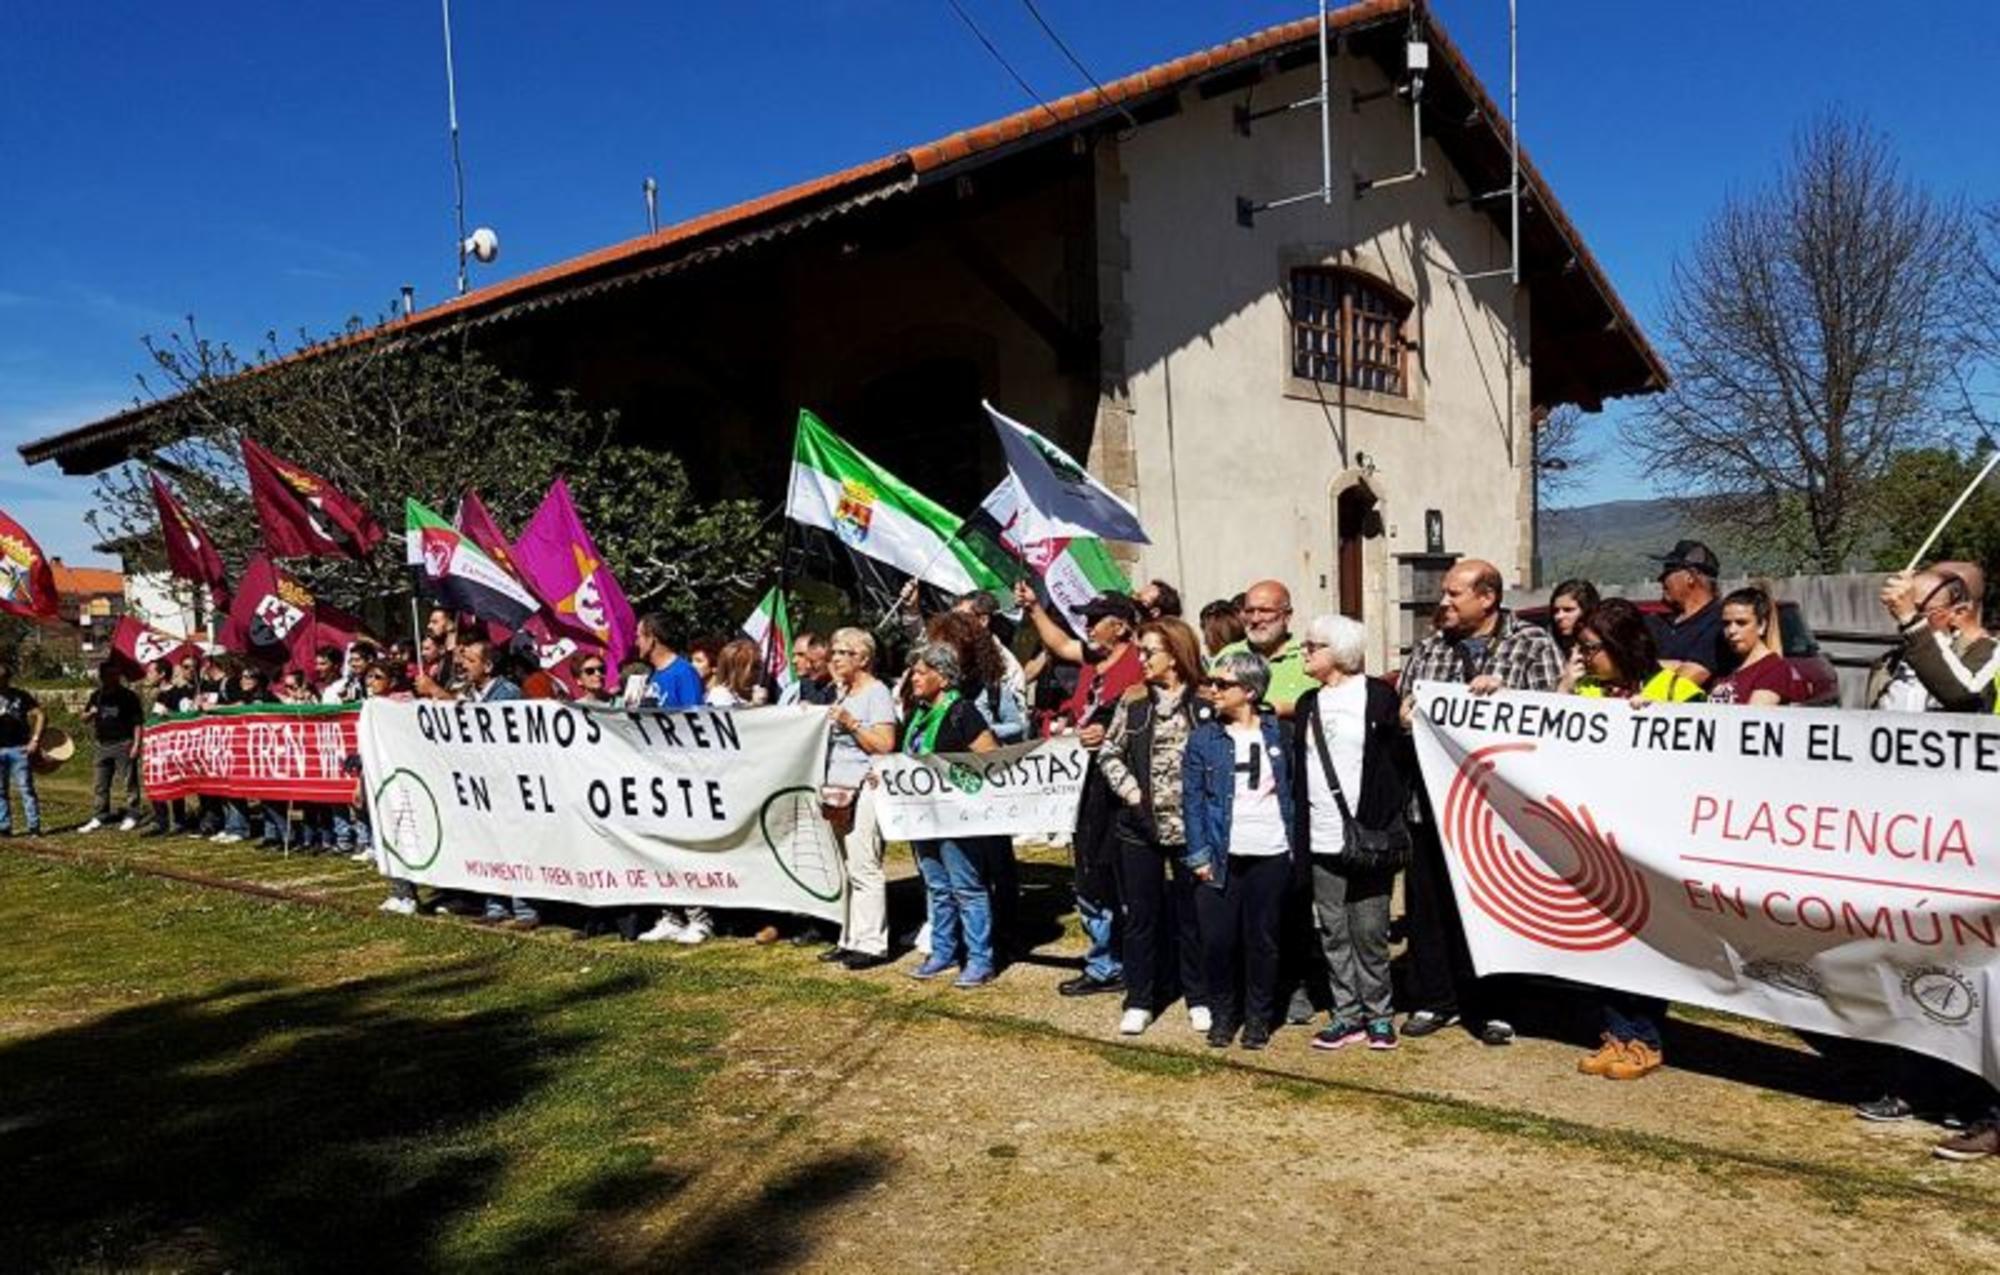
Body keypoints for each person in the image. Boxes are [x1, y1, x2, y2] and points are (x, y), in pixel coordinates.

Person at [1396, 558, 1563, 1046]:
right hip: (1431, 805)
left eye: (1454, 594)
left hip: (1497, 813)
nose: (1443, 603)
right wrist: (1408, 714)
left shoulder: (1530, 644)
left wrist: (1507, 699)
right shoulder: (1429, 648)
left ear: (1487, 598)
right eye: (1444, 594)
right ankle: (1436, 998)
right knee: (1430, 906)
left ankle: (1497, 1006)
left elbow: (1554, 714)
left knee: (1496, 905)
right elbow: (1408, 701)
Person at [1565, 598, 1703, 1081]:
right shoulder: (1584, 692)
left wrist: (1664, 720)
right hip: (1598, 840)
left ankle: (1645, 1039)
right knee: (1603, 942)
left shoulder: (1675, 691)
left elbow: (1710, 760)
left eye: (1590, 649)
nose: (1584, 658)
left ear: (1622, 645)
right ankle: (1616, 1032)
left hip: (1654, 842)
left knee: (1646, 943)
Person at [1014, 583, 1145, 998]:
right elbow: (1059, 643)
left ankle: (1132, 962)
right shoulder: (1092, 657)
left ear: (1121, 627)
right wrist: (1035, 608)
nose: (1086, 626)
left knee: (1121, 877)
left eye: (1095, 620)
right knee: (1088, 874)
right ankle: (1103, 962)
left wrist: (1109, 731)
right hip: (1080, 787)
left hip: (1119, 790)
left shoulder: (1140, 667)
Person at [1293, 615, 1410, 1053]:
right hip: (1320, 835)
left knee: (1371, 929)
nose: (1304, 652)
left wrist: (1404, 729)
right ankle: (1346, 1014)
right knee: (1333, 930)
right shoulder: (1308, 703)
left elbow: (1397, 762)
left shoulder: (1379, 697)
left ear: (1338, 652)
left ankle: (1379, 1014)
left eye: (1312, 645)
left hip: (1368, 835)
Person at [1097, 617, 1206, 1035]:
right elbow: (1110, 753)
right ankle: (1140, 998)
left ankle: (1198, 995)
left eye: (1149, 652)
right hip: (1139, 826)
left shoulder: (1203, 703)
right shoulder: (1134, 700)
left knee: (1192, 914)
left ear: (1175, 656)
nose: (1140, 659)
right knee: (1141, 915)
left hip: (1190, 827)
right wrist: (1130, 792)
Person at [1183, 650, 1294, 1050]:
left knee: (1262, 940)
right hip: (1219, 853)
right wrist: (1198, 855)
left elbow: (1293, 791)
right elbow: (1192, 800)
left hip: (1271, 851)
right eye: (1212, 683)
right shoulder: (1204, 738)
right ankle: (1223, 1014)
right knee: (1217, 939)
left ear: (1249, 691)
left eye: (1222, 684)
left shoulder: (1279, 734)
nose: (1212, 690)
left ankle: (1259, 1017)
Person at [419, 637, 543, 931]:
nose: (462, 664)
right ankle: (496, 905)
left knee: (514, 845)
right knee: (489, 843)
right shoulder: (470, 692)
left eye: (470, 660)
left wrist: (439, 692)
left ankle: (525, 909)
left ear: (488, 665)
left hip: (507, 783)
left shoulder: (507, 693)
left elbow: (484, 725)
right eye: (463, 660)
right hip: (482, 785)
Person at [902, 641, 1004, 988]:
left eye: (920, 672)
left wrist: (953, 776)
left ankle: (980, 960)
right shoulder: (916, 715)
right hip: (922, 816)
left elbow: (990, 757)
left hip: (958, 817)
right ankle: (943, 952)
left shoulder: (962, 712)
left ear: (943, 678)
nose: (913, 678)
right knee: (936, 886)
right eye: (913, 671)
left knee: (967, 887)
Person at [822, 627, 901, 970]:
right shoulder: (843, 692)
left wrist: (852, 724)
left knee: (864, 865)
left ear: (864, 658)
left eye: (843, 652)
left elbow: (885, 745)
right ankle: (849, 937)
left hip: (864, 788)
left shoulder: (876, 692)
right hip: (837, 788)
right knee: (844, 867)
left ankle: (872, 943)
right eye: (834, 652)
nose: (835, 658)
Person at [1872, 565, 1999, 712]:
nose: (1901, 615)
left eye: (1920, 610)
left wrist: (1911, 621)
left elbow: (1963, 696)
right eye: (1900, 606)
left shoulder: (1988, 652)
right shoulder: (1889, 663)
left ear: (1958, 612)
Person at [1214, 580, 1314, 716]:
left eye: (1265, 611)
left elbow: (1331, 706)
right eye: (1249, 611)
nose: (1255, 619)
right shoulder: (1229, 655)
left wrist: (1288, 709)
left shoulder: (1308, 656)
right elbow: (1210, 701)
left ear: (1287, 616)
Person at [1647, 540, 1732, 688]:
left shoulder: (1720, 622)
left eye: (1668, 570)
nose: (1660, 579)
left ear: (1690, 577)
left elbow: (1689, 678)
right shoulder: (1658, 622)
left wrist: (1642, 668)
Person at [1708, 588, 1810, 706]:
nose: (1731, 630)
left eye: (1741, 623)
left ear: (1761, 626)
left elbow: (1753, 718)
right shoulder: (1726, 666)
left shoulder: (1773, 670)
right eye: (1726, 623)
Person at [79, 660, 145, 833]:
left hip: (124, 743)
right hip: (102, 744)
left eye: (116, 674)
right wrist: (90, 713)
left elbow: (138, 723)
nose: (113, 678)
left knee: (129, 782)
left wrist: (136, 744)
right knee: (100, 784)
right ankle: (100, 815)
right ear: (102, 676)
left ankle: (133, 814)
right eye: (109, 675)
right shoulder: (97, 695)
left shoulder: (128, 696)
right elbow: (83, 718)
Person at [141, 656, 199, 838]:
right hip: (155, 746)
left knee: (175, 782)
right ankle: (160, 818)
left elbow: (185, 716)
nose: (147, 675)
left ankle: (179, 820)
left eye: (151, 671)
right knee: (155, 781)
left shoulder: (177, 692)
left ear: (162, 674)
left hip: (173, 746)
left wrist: (170, 714)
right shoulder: (155, 693)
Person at [0, 658, 46, 837]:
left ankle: (34, 827)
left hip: (19, 748)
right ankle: (4, 827)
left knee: (26, 788)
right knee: (0, 791)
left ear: (8, 678)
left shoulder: (20, 696)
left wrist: (35, 740)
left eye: (3, 677)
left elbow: (40, 715)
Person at [634, 613, 705, 710]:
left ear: (651, 640)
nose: (636, 643)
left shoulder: (684, 673)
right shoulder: (654, 674)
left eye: (639, 637)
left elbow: (696, 718)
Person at [1547, 578, 1601, 660]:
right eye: (1555, 611)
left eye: (1568, 610)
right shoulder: (1549, 646)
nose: (1558, 616)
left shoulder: (1603, 649)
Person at [778, 632, 837, 706]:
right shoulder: (791, 692)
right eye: (794, 655)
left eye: (801, 655)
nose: (794, 661)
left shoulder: (843, 689)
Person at [705, 637, 763, 708]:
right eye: (755, 666)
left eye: (759, 666)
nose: (759, 671)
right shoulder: (721, 696)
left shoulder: (743, 694)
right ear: (736, 670)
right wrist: (755, 705)